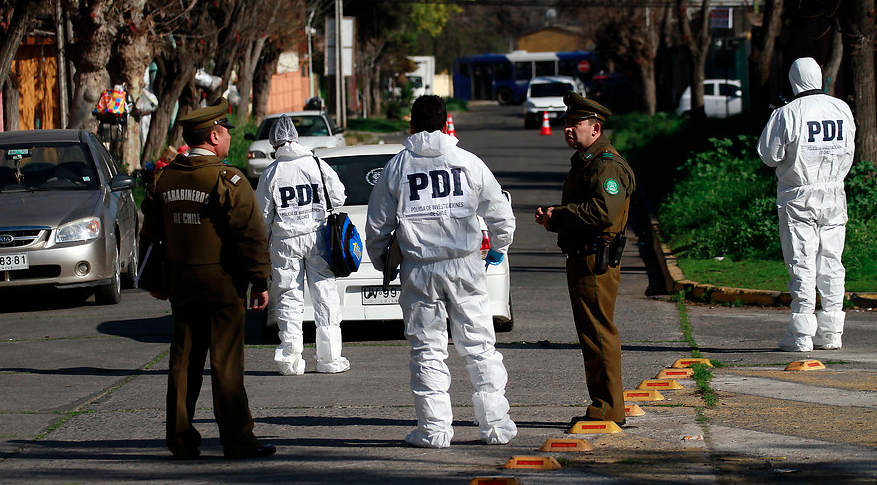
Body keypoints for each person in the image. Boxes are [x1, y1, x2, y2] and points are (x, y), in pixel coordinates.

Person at [365, 95, 517, 449]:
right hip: (465, 264)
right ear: (447, 121)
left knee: (427, 348)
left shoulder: (397, 168)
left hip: (420, 269)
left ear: (411, 125)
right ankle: (495, 426)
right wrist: (498, 247)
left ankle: (433, 431)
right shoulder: (467, 162)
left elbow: (377, 228)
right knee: (480, 346)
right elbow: (500, 214)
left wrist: (385, 262)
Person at [139, 97, 276, 460]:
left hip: (181, 281)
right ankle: (237, 440)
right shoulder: (227, 179)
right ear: (214, 136)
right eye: (226, 132)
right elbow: (250, 236)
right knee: (226, 363)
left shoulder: (164, 179)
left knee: (183, 362)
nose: (230, 138)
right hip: (222, 282)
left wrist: (154, 278)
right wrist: (260, 281)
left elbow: (150, 235)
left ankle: (180, 440)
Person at [534, 92, 635, 427]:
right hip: (584, 255)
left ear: (595, 128)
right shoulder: (588, 161)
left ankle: (610, 407)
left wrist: (560, 216)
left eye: (574, 124)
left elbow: (603, 212)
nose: (568, 130)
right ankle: (602, 403)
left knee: (598, 332)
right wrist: (555, 217)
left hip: (595, 260)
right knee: (591, 332)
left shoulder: (605, 164)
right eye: (566, 124)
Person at [757, 57, 856, 352]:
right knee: (832, 262)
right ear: (820, 77)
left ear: (794, 81)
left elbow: (769, 155)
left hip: (798, 195)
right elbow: (850, 146)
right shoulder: (841, 108)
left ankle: (801, 335)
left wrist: (777, 116)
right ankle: (832, 332)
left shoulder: (787, 113)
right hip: (835, 192)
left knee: (801, 260)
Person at [255, 114, 350, 375]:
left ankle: (291, 360)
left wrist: (264, 243)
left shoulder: (271, 173)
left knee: (289, 298)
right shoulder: (317, 165)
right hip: (318, 237)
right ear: (296, 138)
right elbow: (339, 197)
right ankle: (330, 359)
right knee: (325, 296)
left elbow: (262, 217)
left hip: (284, 242)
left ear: (274, 143)